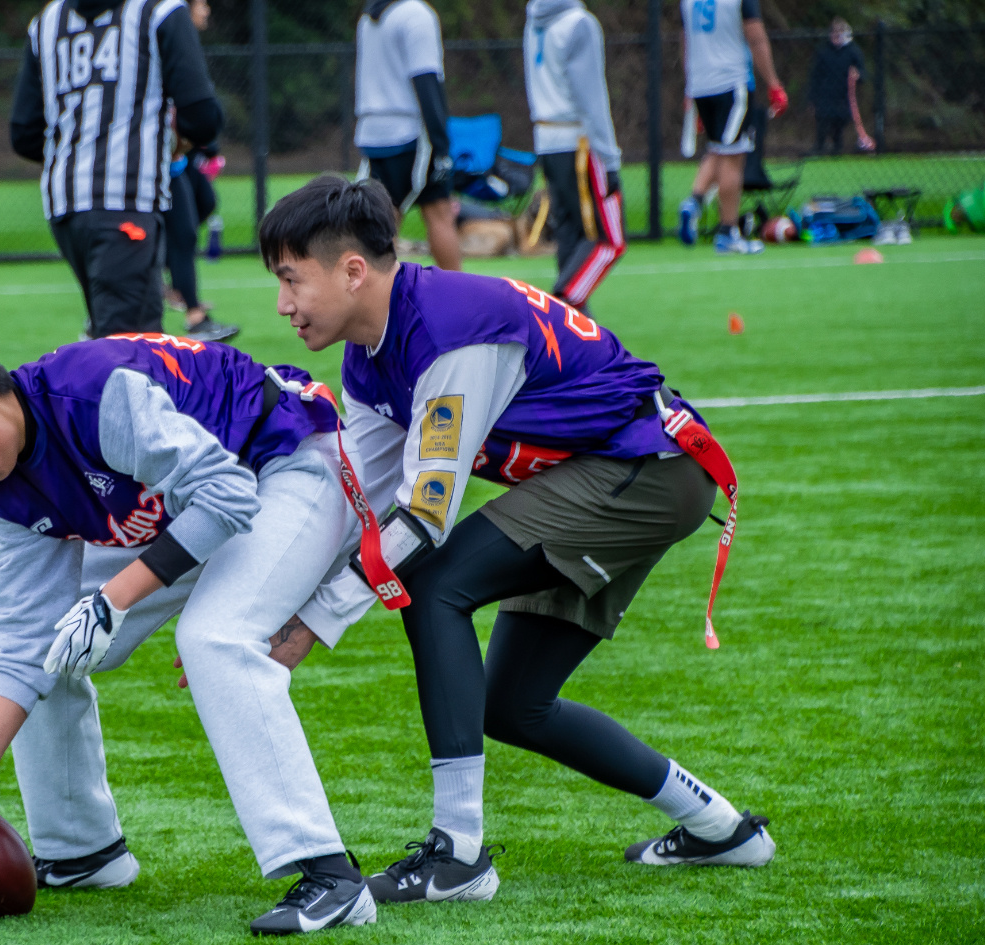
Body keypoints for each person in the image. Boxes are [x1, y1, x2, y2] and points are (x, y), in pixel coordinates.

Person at [258, 176, 775, 904]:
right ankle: (723, 828)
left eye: (291, 280)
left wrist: (312, 622)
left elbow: (423, 517)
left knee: (433, 582)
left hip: (648, 468)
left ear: (351, 271)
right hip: (616, 470)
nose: (281, 304)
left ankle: (459, 856)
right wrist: (264, 606)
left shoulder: (450, 330)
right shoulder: (369, 355)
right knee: (512, 704)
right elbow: (356, 505)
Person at [0, 325, 383, 936]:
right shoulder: (9, 495)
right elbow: (20, 643)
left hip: (287, 463)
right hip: (198, 509)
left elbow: (227, 496)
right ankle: (81, 852)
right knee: (54, 642)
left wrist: (112, 599)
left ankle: (330, 874)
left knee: (214, 639)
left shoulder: (95, 396)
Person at [9, 0, 223, 339]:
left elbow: (24, 134)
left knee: (108, 332)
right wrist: (168, 141)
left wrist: (82, 149)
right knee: (131, 346)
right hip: (127, 201)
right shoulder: (159, 10)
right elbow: (202, 117)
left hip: (65, 204)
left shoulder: (47, 21)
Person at [523, 0, 624, 314]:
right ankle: (558, 307)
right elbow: (591, 98)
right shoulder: (579, 23)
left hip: (546, 139)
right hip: (578, 142)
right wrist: (610, 157)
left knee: (570, 234)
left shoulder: (534, 20)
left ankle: (575, 327)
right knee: (609, 239)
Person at [353, 0, 461, 271]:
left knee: (383, 218)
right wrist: (441, 145)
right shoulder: (416, 14)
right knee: (438, 213)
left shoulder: (367, 19)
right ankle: (457, 292)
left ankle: (373, 293)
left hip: (372, 132)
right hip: (409, 133)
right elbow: (426, 80)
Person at [676, 0, 786, 254]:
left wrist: (690, 86)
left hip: (701, 84)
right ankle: (727, 231)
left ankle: (694, 202)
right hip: (731, 82)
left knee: (718, 149)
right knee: (733, 157)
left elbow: (685, 42)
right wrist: (773, 82)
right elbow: (756, 37)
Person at [161, 0, 238, 343]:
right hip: (155, 161)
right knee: (179, 231)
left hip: (174, 159)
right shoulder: (167, 32)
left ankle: (183, 297)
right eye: (201, 3)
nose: (206, 10)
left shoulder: (179, 39)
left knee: (194, 216)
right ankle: (192, 312)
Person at [807, 18, 873, 155]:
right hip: (825, 93)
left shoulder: (853, 51)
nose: (836, 35)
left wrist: (858, 74)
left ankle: (837, 148)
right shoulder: (824, 51)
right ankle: (819, 147)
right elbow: (815, 75)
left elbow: (862, 72)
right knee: (822, 121)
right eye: (834, 32)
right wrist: (812, 97)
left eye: (840, 32)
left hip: (844, 95)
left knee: (839, 122)